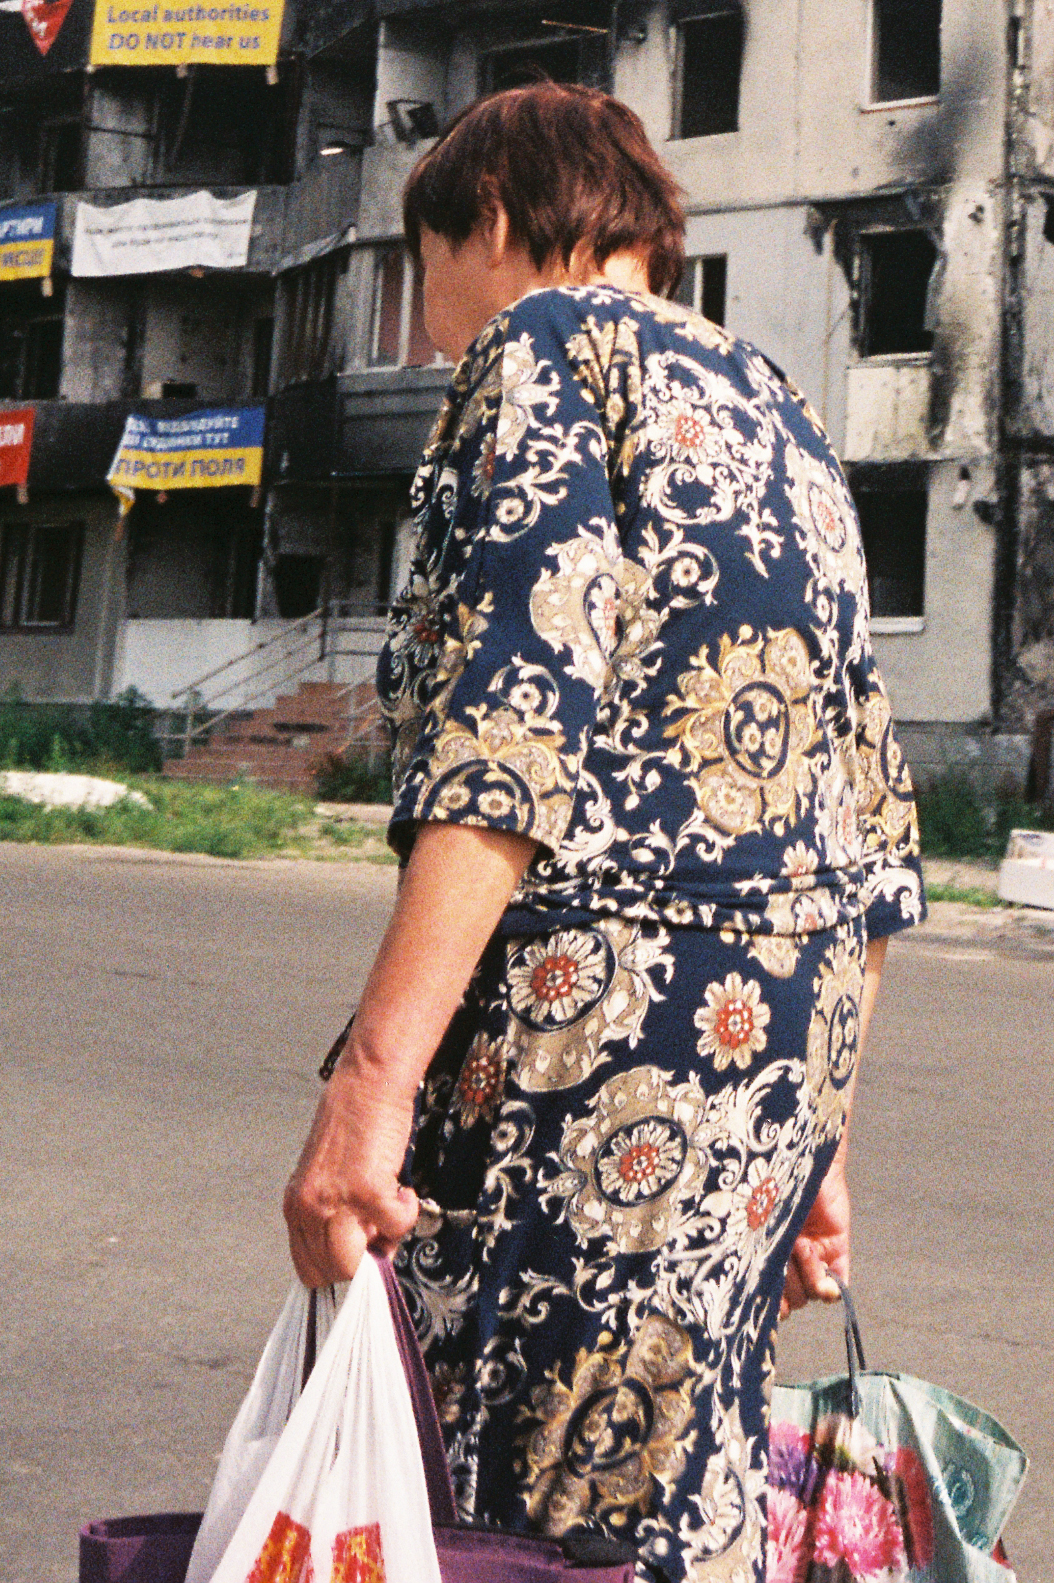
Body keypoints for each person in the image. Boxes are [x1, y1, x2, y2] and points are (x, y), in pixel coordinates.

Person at [282, 85, 924, 1583]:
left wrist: (371, 1088)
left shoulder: (539, 349)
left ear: (491, 218)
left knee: (516, 1509)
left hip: (598, 1036)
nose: (426, 328)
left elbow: (512, 729)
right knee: (675, 1493)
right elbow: (872, 817)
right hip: (777, 1037)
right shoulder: (776, 400)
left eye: (421, 268)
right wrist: (820, 1135)